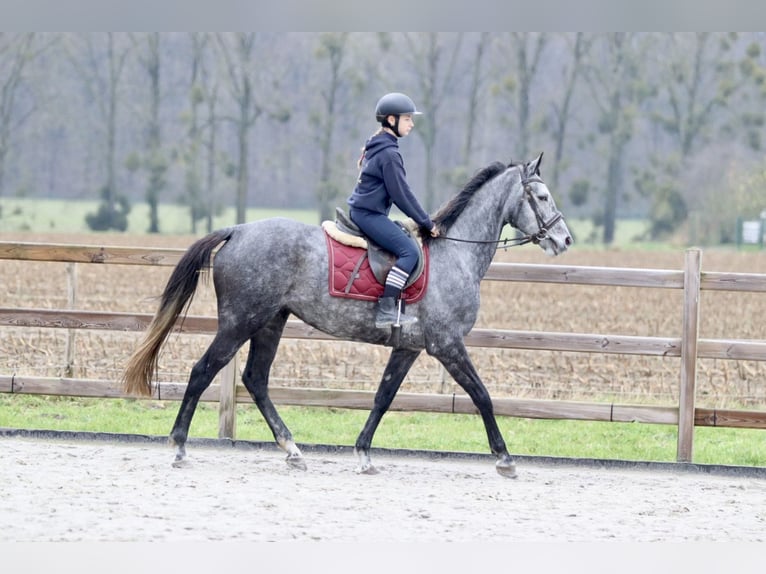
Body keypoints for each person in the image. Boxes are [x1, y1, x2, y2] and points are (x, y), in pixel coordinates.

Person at [347, 92, 440, 328]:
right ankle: (386, 309)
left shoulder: (380, 146)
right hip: (368, 215)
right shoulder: (389, 154)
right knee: (410, 251)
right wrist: (426, 223)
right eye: (407, 118)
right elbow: (402, 195)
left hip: (365, 212)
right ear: (391, 120)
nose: (412, 123)